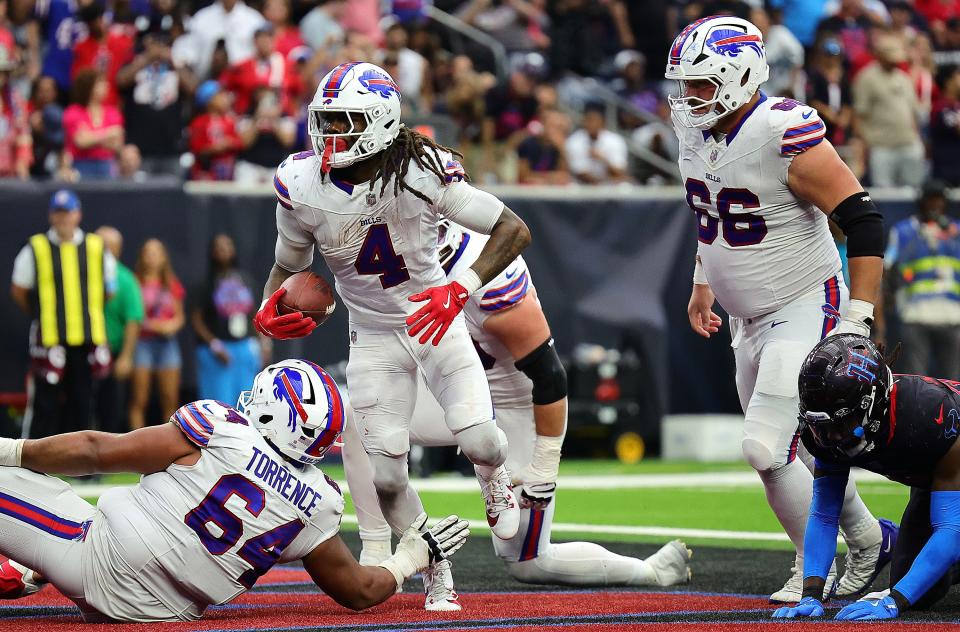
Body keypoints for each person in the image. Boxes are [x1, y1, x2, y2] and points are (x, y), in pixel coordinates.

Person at [254, 60, 529, 605]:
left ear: (380, 122)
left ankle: (492, 473)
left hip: (434, 317)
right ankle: (436, 567)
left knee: (480, 441)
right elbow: (288, 268)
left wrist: (459, 289)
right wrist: (270, 307)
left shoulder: (421, 170)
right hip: (373, 333)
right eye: (326, 121)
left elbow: (512, 228)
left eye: (346, 122)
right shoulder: (301, 183)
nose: (332, 135)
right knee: (386, 480)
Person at [342, 218, 693, 611]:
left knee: (527, 561)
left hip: (509, 406)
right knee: (360, 418)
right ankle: (375, 551)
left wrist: (545, 465)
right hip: (443, 393)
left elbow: (550, 377)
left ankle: (650, 572)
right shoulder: (390, 260)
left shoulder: (488, 275)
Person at [666, 15, 893, 602]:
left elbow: (865, 224)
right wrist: (702, 281)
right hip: (746, 316)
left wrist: (858, 318)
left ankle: (809, 565)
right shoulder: (698, 131)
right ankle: (870, 540)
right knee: (793, 452)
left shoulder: (781, 131)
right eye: (685, 85)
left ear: (741, 77)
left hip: (802, 302)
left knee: (767, 448)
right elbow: (710, 215)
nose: (689, 98)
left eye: (702, 85)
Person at [0, 359, 470, 622]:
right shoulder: (319, 501)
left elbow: (95, 451)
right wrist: (408, 558)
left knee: (28, 478)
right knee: (64, 511)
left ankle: (27, 565)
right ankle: (24, 570)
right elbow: (358, 592)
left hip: (99, 559)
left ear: (271, 411)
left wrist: (12, 449)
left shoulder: (222, 429)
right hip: (168, 612)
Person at [773, 334, 960, 621]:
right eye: (821, 425)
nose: (829, 437)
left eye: (841, 422)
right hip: (934, 476)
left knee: (911, 587)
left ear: (874, 403)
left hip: (950, 468)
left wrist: (894, 601)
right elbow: (824, 513)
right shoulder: (824, 431)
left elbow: (950, 527)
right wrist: (811, 594)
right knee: (921, 588)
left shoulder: (931, 415)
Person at [10, 190, 115, 439]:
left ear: (77, 214)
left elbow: (109, 290)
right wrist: (43, 313)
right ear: (50, 216)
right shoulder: (36, 247)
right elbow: (19, 290)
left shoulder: (96, 246)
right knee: (44, 401)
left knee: (82, 399)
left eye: (67, 213)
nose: (63, 219)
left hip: (87, 336)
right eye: (58, 213)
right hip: (49, 337)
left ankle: (84, 465)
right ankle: (35, 463)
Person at [875, 180, 960, 377]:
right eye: (930, 200)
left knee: (954, 382)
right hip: (916, 315)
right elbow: (886, 269)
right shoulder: (904, 231)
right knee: (916, 379)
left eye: (939, 201)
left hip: (953, 316)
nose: (935, 206)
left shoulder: (956, 231)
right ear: (921, 202)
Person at [191, 234, 266, 405]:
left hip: (245, 348)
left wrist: (264, 343)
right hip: (217, 352)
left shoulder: (245, 280)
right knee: (219, 405)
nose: (223, 249)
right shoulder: (206, 284)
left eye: (227, 245)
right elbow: (197, 320)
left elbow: (256, 313)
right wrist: (215, 345)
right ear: (212, 252)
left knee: (247, 402)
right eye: (218, 247)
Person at [130, 238, 185, 430]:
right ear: (142, 257)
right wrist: (150, 325)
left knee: (169, 397)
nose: (152, 257)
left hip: (167, 343)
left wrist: (170, 326)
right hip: (141, 343)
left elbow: (180, 317)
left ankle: (167, 448)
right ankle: (136, 446)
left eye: (156, 253)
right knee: (139, 398)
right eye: (148, 252)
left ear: (163, 257)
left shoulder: (171, 283)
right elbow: (131, 316)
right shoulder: (134, 283)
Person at [94, 226, 143, 435]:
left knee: (111, 406)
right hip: (84, 350)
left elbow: (134, 319)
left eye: (109, 246)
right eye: (99, 245)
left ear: (118, 249)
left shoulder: (125, 279)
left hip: (112, 351)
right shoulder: (82, 275)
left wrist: (125, 357)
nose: (104, 251)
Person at [62, 69, 124, 180]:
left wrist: (91, 136)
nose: (106, 85)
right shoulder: (73, 112)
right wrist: (108, 134)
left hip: (106, 165)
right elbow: (80, 142)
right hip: (81, 165)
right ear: (88, 87)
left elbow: (117, 144)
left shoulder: (112, 112)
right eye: (100, 83)